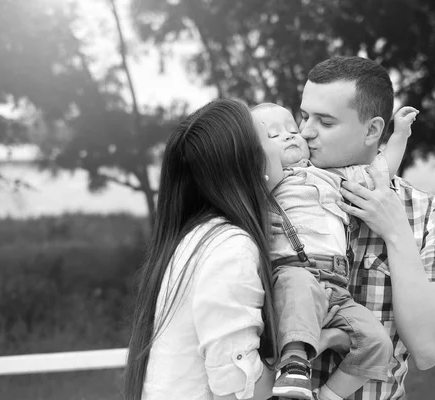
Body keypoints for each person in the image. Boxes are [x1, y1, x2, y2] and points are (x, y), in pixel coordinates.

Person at [124, 98, 336, 400]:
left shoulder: (197, 237)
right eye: (269, 137)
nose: (287, 143)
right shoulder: (231, 250)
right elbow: (237, 390)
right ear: (256, 167)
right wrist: (312, 344)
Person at [296, 56, 435, 400]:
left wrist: (396, 232)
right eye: (303, 116)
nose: (304, 132)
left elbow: (428, 350)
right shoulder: (279, 195)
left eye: (325, 122)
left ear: (373, 130)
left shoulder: (430, 216)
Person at [252, 103, 418, 400]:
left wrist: (400, 135)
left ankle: (328, 395)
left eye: (293, 130)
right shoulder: (263, 189)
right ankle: (294, 364)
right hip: (293, 275)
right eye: (273, 136)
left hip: (337, 286)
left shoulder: (333, 175)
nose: (289, 137)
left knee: (379, 344)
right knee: (299, 290)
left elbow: (381, 171)